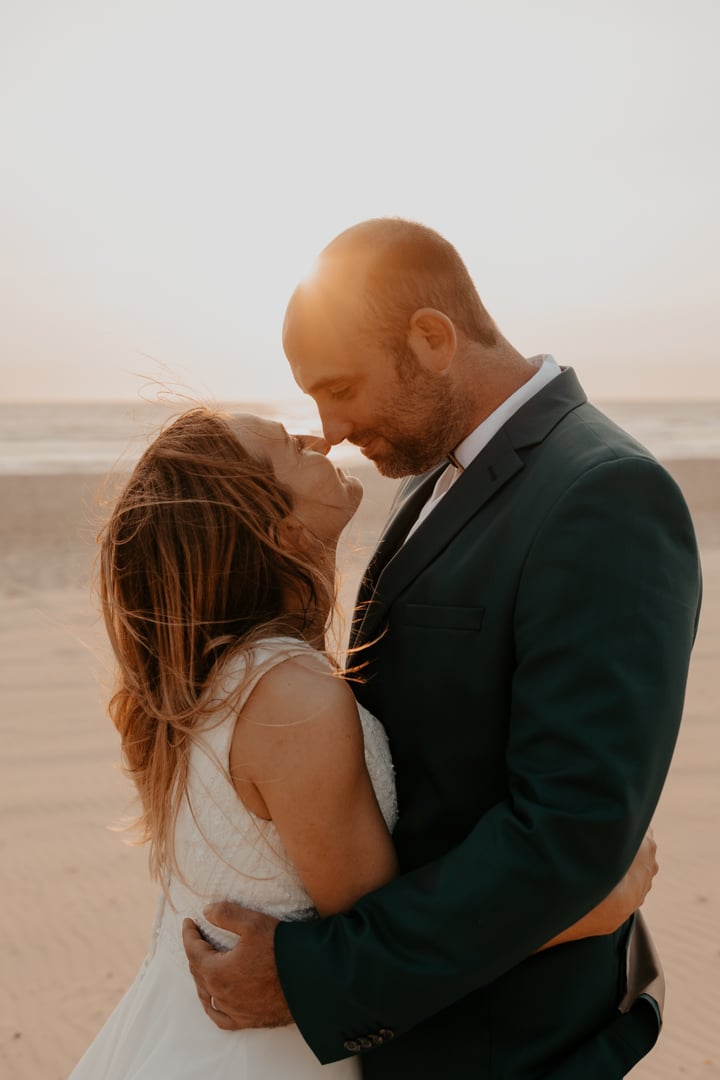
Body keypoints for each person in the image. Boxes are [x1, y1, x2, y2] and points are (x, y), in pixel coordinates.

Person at [183, 219, 702, 1079]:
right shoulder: (433, 472)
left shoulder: (604, 495)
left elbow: (568, 835)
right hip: (428, 1029)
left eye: (341, 388)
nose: (333, 429)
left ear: (431, 339)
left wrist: (318, 979)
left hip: (514, 1046)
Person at [72, 403, 653, 1079]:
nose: (318, 435)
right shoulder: (290, 699)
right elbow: (384, 941)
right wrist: (589, 908)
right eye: (289, 446)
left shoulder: (210, 676)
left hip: (180, 1035)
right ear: (280, 530)